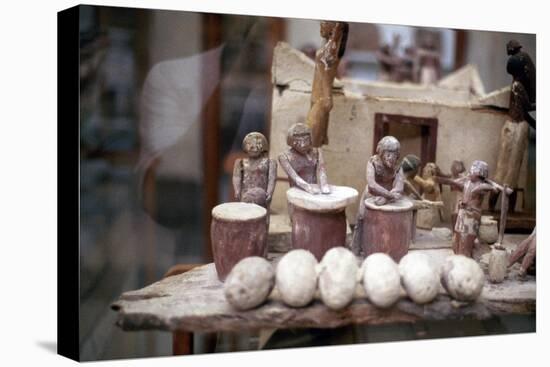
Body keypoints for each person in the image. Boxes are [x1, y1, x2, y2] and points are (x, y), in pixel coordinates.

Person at [351, 136, 404, 253]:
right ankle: (356, 248)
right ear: (381, 152)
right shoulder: (373, 162)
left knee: (387, 225)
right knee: (361, 219)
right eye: (388, 154)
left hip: (387, 199)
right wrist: (390, 195)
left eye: (394, 155)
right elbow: (372, 184)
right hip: (371, 196)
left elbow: (399, 187)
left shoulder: (398, 166)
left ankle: (384, 249)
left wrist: (387, 197)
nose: (391, 158)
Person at [450, 161, 511, 258]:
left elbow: (495, 189)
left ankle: (466, 265)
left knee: (465, 245)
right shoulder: (468, 182)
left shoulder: (483, 186)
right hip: (462, 214)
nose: (469, 173)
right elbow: (454, 182)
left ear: (479, 174)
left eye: (472, 172)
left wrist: (492, 184)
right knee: (456, 243)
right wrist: (466, 177)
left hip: (471, 216)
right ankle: (460, 261)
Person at [306, 21, 348, 147]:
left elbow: (326, 75)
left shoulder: (330, 50)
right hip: (318, 99)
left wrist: (327, 99)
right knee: (313, 143)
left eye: (325, 23)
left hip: (321, 100)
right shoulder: (328, 48)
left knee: (310, 143)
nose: (321, 25)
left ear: (334, 27)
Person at [278, 123, 330, 195]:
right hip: (297, 191)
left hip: (314, 190)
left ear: (310, 139)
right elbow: (294, 177)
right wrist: (308, 188)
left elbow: (322, 170)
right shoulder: (284, 156)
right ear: (291, 141)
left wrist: (324, 186)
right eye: (298, 142)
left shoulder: (316, 152)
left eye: (306, 140)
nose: (303, 145)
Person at [232, 132, 277, 209]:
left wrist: (269, 192)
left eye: (258, 144)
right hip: (245, 196)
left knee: (261, 215)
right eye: (250, 144)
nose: (254, 147)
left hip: (262, 197)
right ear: (245, 146)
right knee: (246, 214)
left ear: (263, 146)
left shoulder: (270, 163)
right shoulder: (240, 162)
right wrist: (237, 190)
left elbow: (272, 179)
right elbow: (236, 177)